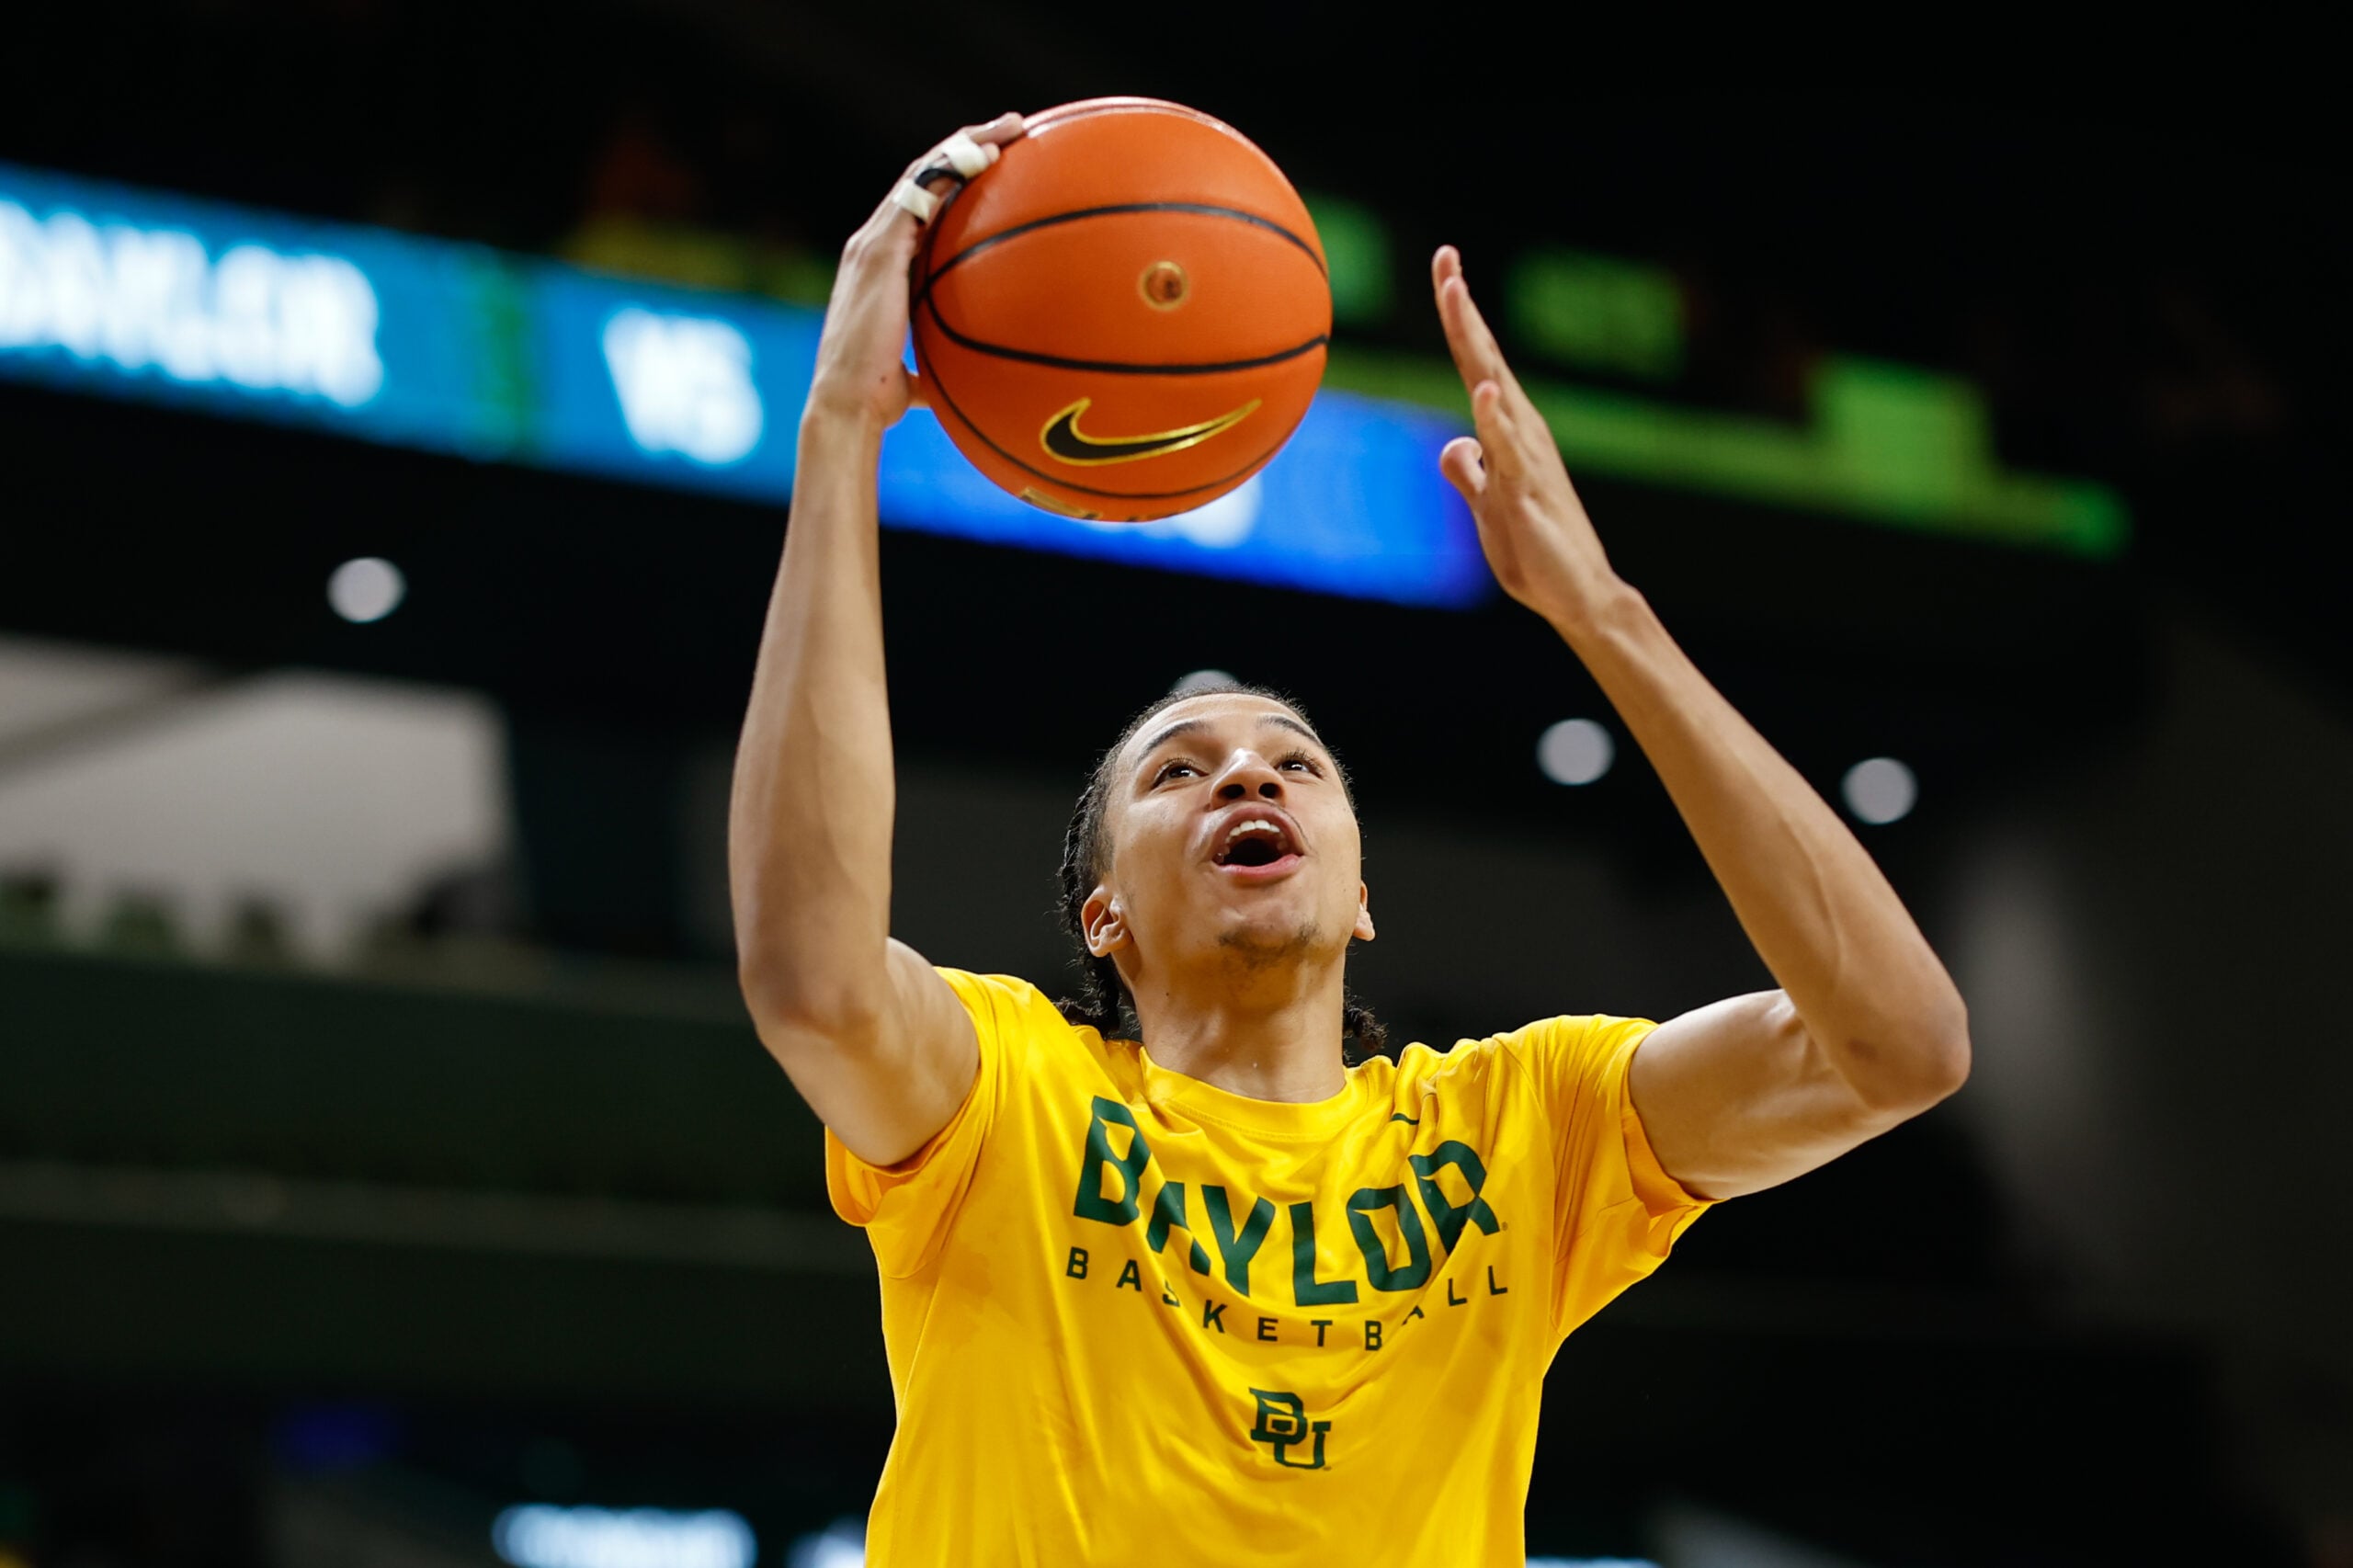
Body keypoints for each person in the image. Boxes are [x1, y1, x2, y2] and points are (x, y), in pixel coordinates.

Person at [728, 113, 1971, 1568]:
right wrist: (838, 426)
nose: (1246, 774)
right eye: (1177, 773)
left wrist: (1604, 615)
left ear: (1362, 890)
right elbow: (811, 976)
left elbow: (1902, 1048)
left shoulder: (1522, 1130)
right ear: (1104, 917)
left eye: (1294, 760)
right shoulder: (1009, 1097)